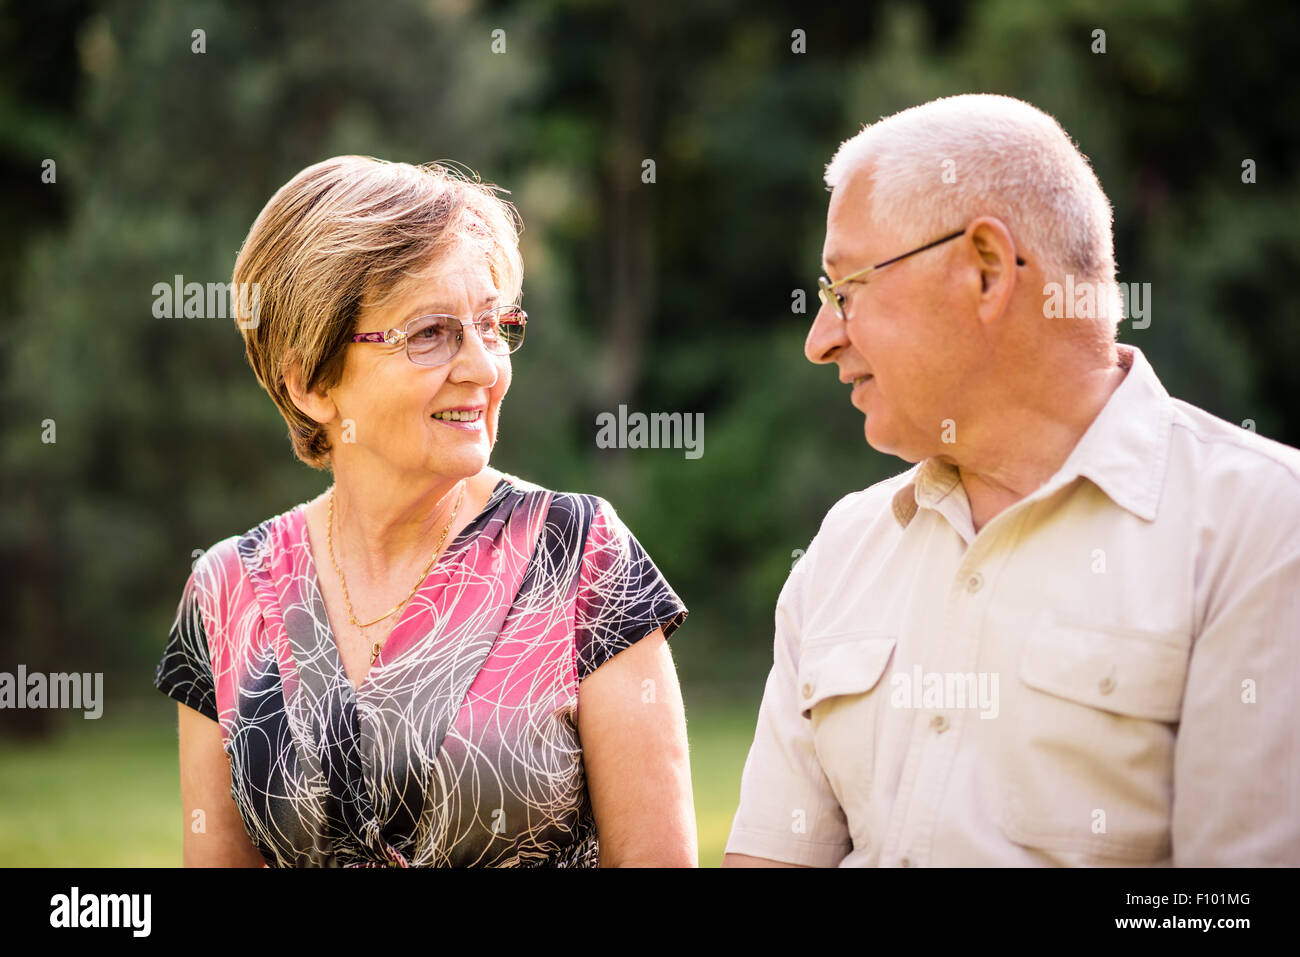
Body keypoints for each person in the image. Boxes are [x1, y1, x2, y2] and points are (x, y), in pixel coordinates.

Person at [723, 94, 1300, 867]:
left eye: (846, 289)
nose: (821, 339)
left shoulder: (1264, 525)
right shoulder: (841, 549)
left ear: (987, 270)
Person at [153, 156, 695, 867]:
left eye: (495, 325)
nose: (483, 366)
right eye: (432, 332)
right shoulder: (227, 590)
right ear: (311, 381)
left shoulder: (580, 553)